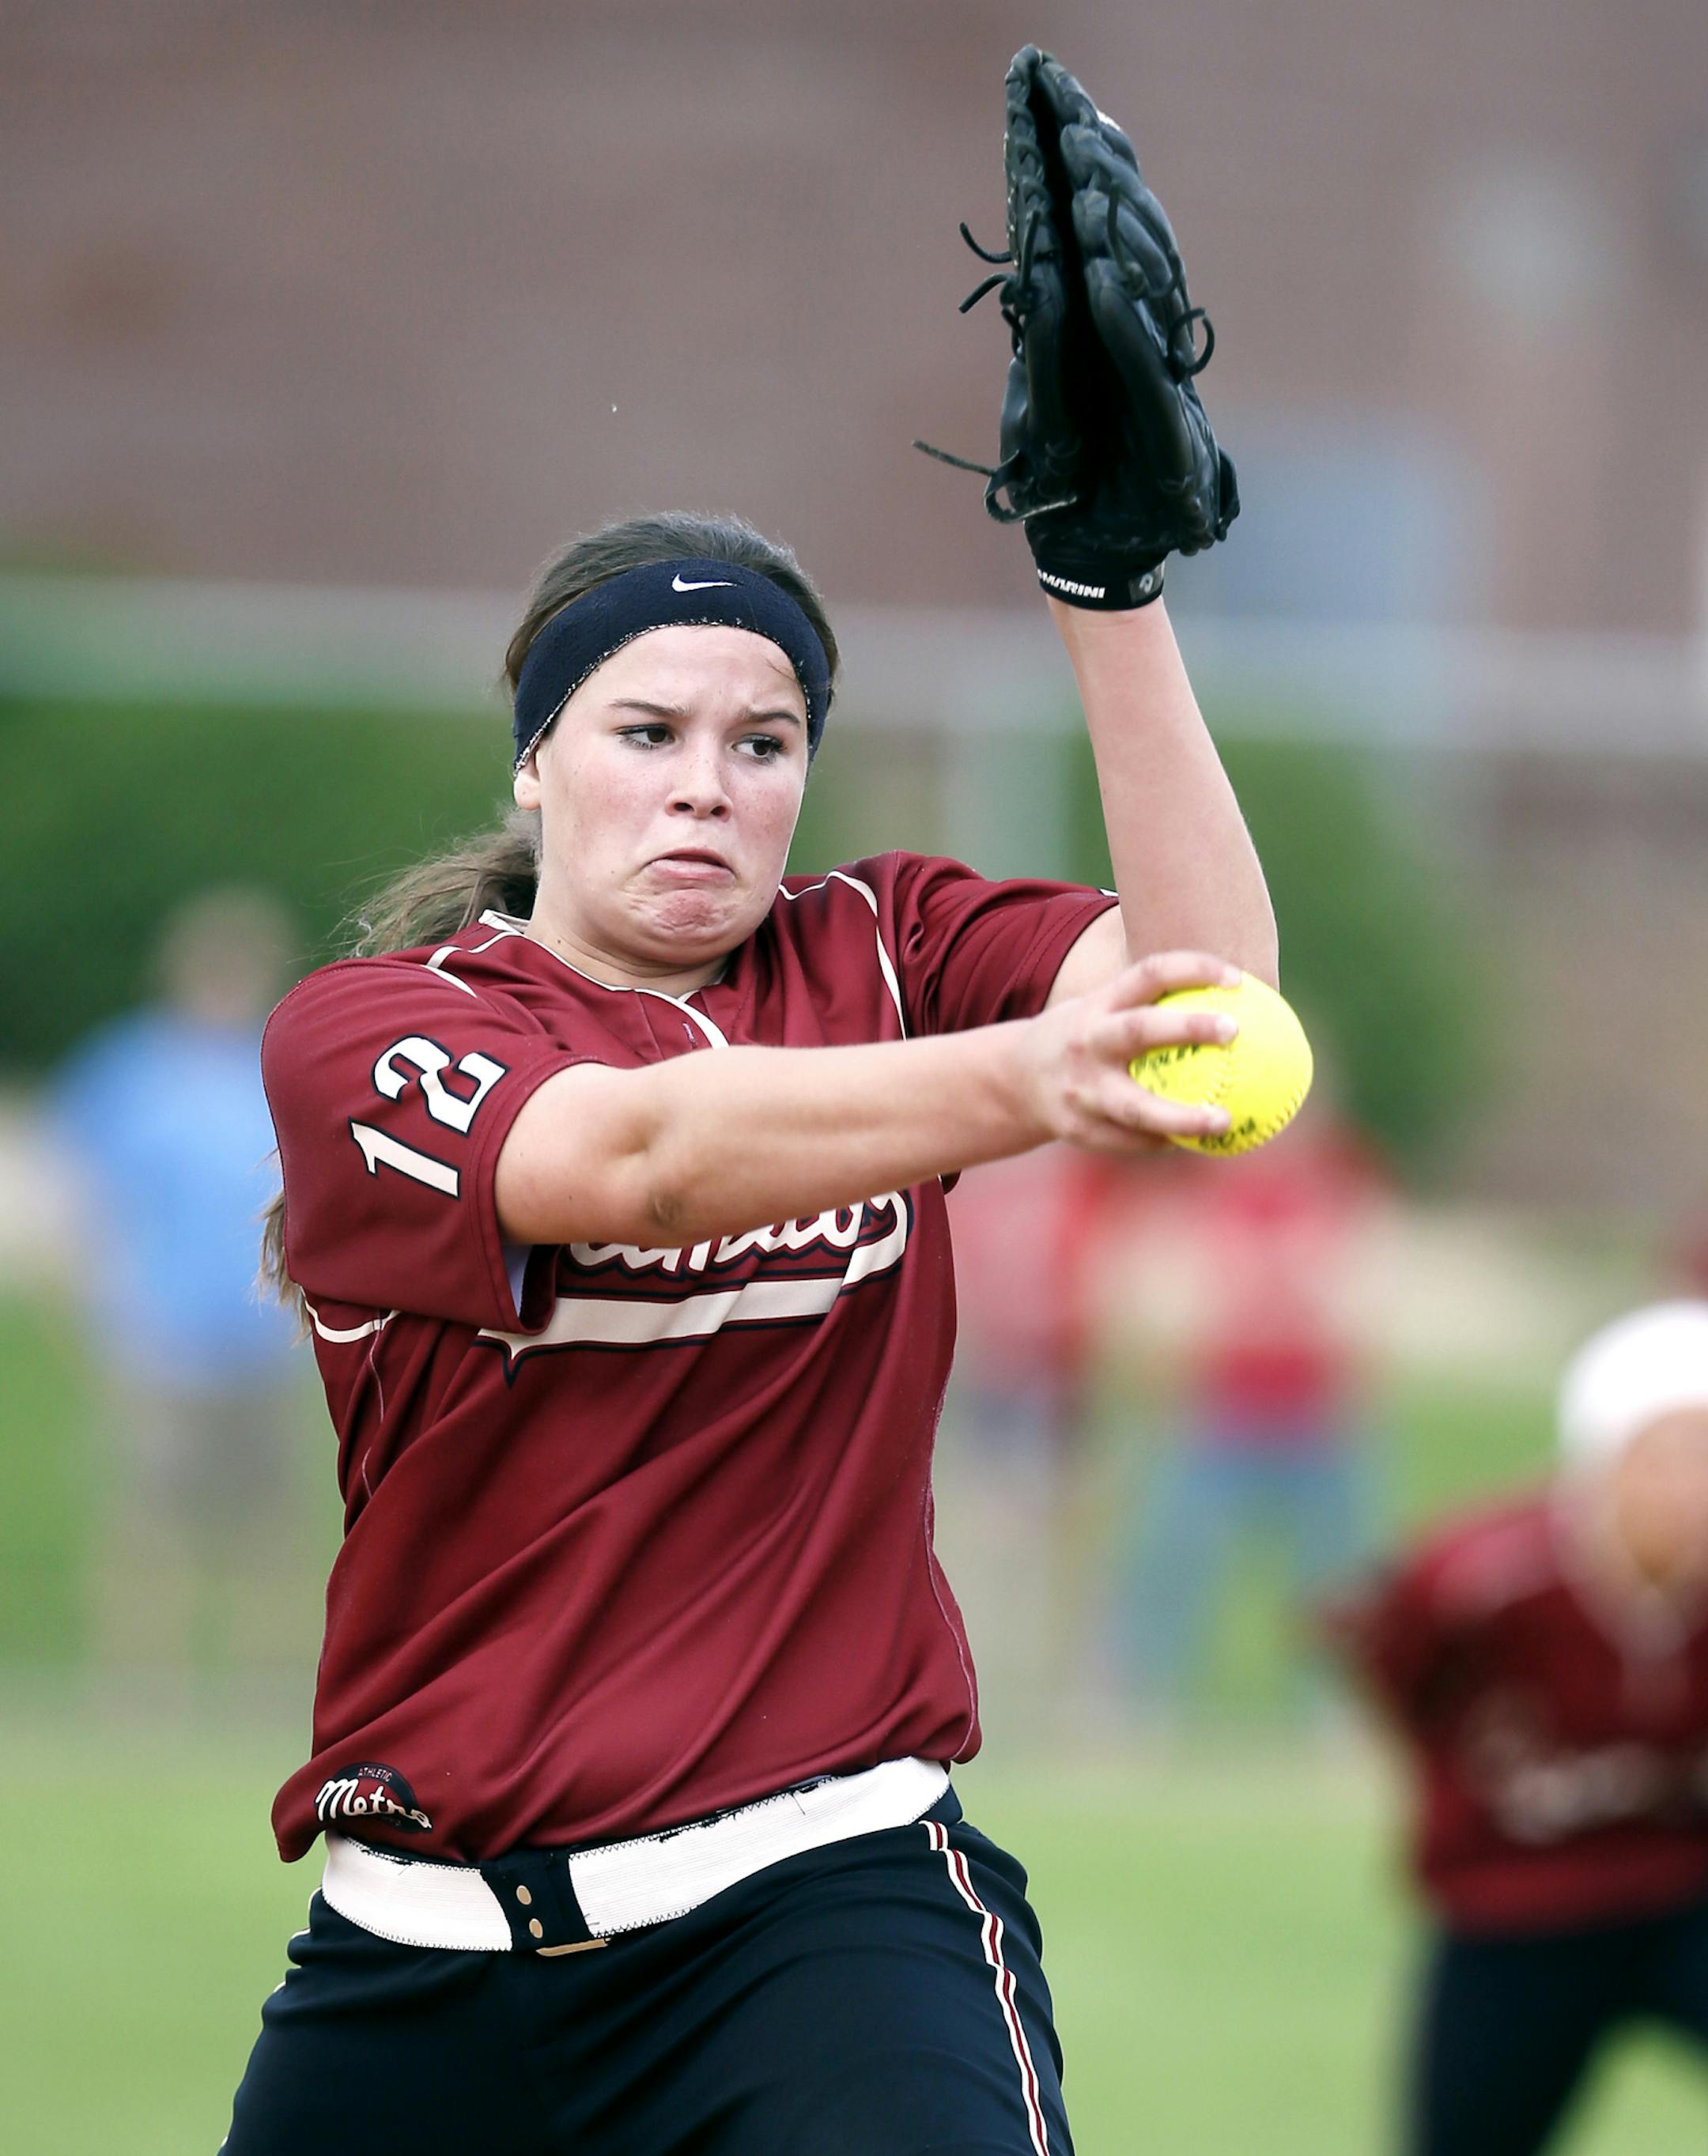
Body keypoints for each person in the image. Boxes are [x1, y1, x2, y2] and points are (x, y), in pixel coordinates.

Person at [1323, 1301, 1708, 2156]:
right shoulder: (1484, 1581)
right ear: (1606, 1459)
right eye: (1677, 1453)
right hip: (1521, 1907)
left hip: (1685, 1890)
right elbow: (1392, 1666)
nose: (1697, 1486)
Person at [48, 886, 308, 1682]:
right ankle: (142, 1684)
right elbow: (82, 1203)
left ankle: (267, 1682)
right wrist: (94, 1310)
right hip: (161, 1337)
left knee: (270, 1524)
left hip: (267, 1340)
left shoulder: (285, 1069)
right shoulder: (129, 1071)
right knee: (149, 1519)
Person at [1118, 1090, 1390, 1722]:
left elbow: (1368, 1308)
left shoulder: (1341, 1196)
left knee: (1341, 1580)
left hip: (1314, 1418)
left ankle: (1336, 1715)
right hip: (1221, 1415)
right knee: (1170, 1564)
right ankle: (1138, 1707)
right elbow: (1155, 1308)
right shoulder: (1195, 1197)